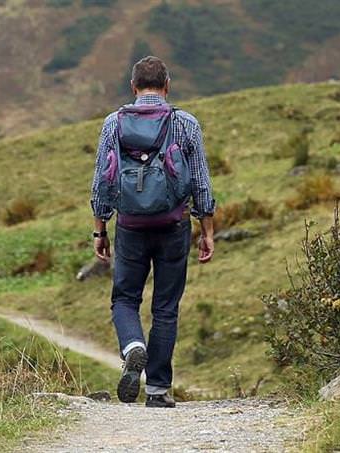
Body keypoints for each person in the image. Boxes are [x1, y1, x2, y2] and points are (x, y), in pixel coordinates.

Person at [90, 56, 216, 408]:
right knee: (165, 307)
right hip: (174, 225)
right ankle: (158, 390)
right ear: (167, 85)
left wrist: (100, 229)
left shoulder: (113, 123)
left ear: (133, 87)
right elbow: (201, 182)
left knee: (125, 298)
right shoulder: (185, 123)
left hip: (129, 225)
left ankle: (133, 346)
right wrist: (206, 229)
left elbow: (102, 180)